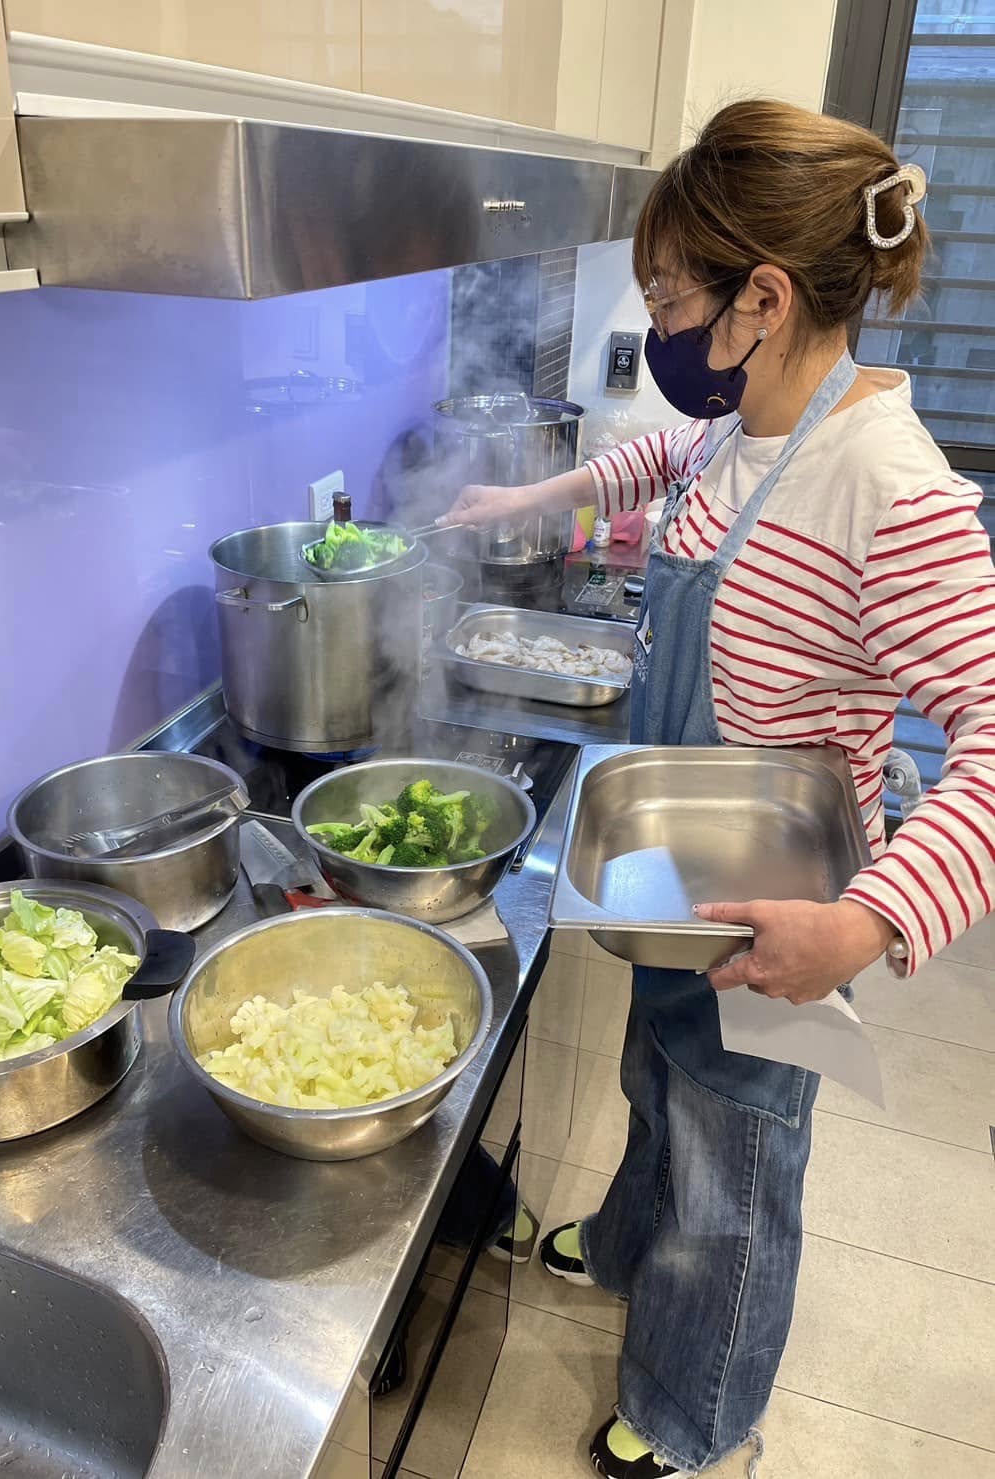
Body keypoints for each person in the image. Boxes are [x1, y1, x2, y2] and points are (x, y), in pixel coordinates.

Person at [443, 99, 995, 1478]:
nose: (660, 333)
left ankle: (697, 1419)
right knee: (658, 1081)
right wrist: (537, 503)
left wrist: (867, 925)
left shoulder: (887, 487)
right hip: (686, 865)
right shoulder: (745, 422)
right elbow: (653, 460)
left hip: (784, 912)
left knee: (736, 1171)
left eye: (671, 302)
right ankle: (628, 1250)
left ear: (762, 298)